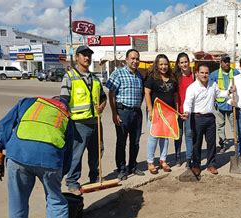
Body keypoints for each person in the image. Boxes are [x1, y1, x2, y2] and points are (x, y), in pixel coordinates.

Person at [0, 97, 73, 218]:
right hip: (50, 160)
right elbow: (69, 151)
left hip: (18, 155)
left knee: (18, 201)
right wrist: (62, 173)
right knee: (55, 199)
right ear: (65, 107)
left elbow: (4, 126)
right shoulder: (66, 116)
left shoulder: (29, 102)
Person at [60, 45, 107, 195]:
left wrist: (102, 106)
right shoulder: (69, 76)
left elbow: (103, 97)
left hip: (95, 121)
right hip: (78, 124)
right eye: (83, 55)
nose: (87, 58)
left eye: (89, 55)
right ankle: (72, 182)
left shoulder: (94, 78)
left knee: (96, 152)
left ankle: (95, 177)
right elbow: (63, 101)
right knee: (76, 154)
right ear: (77, 58)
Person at [183, 63, 231, 176]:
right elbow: (188, 103)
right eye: (202, 73)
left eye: (206, 73)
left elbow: (220, 94)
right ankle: (196, 166)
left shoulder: (213, 84)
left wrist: (229, 92)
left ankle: (211, 165)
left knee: (211, 143)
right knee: (196, 143)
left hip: (210, 118)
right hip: (197, 118)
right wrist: (186, 112)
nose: (204, 75)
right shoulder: (192, 88)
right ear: (197, 74)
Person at [106, 48, 145, 180]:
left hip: (136, 113)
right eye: (132, 58)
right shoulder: (118, 73)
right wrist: (114, 113)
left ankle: (132, 166)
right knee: (121, 142)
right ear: (126, 60)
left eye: (137, 59)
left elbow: (142, 94)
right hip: (123, 112)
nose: (135, 61)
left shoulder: (139, 75)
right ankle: (121, 169)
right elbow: (111, 94)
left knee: (135, 141)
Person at [144, 54, 178, 174]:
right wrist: (150, 110)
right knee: (154, 137)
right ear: (157, 65)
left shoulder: (172, 78)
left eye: (165, 64)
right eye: (161, 64)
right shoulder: (152, 78)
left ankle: (163, 160)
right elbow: (147, 93)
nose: (164, 66)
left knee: (165, 137)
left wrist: (176, 110)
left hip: (169, 112)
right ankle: (150, 161)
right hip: (156, 112)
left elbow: (175, 95)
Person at [209, 54, 240, 153]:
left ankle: (238, 144)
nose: (226, 63)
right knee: (220, 125)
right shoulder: (214, 75)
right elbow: (210, 89)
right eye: (224, 61)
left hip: (231, 105)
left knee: (234, 125)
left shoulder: (235, 72)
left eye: (228, 61)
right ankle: (223, 144)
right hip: (219, 104)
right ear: (220, 62)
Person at [174, 52, 194, 168]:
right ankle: (177, 157)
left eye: (186, 61)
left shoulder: (194, 76)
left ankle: (189, 158)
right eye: (182, 62)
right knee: (178, 135)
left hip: (190, 112)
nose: (184, 64)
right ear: (178, 64)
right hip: (179, 110)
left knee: (189, 135)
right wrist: (177, 110)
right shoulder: (176, 77)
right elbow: (175, 95)